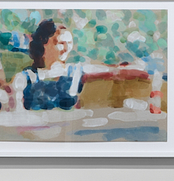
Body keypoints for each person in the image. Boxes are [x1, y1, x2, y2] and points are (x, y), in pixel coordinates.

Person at [8, 19, 139, 113]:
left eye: (69, 43)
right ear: (44, 43)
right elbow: (16, 114)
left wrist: (136, 68)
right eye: (61, 43)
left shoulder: (75, 71)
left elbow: (114, 70)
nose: (66, 49)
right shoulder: (24, 78)